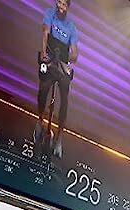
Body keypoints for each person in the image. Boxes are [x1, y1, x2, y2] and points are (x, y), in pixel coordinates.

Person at [36, 0, 79, 160]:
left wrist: (65, 57)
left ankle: (59, 138)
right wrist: (43, 53)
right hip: (49, 62)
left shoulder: (72, 28)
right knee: (43, 90)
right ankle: (40, 121)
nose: (60, 7)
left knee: (65, 101)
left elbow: (75, 54)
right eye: (59, 3)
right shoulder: (49, 14)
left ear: (68, 7)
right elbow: (45, 32)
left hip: (61, 65)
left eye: (64, 4)